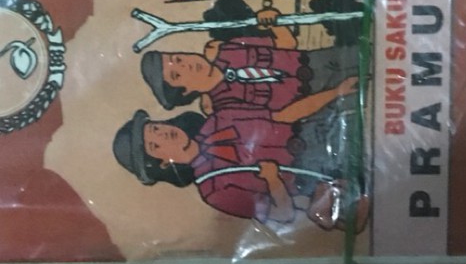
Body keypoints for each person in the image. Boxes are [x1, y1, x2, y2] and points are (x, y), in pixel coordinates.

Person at [113, 98, 368, 231]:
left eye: (155, 128)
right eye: (154, 145)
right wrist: (273, 181)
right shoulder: (214, 191)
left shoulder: (219, 119)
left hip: (327, 129)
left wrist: (336, 93)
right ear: (161, 164)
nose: (163, 134)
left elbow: (283, 115)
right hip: (321, 180)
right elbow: (281, 216)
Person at [140, 7, 359, 116]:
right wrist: (335, 93)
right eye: (177, 75)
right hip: (318, 101)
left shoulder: (227, 49)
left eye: (178, 58)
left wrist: (273, 21)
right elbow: (283, 116)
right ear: (184, 92)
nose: (185, 65)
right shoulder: (220, 106)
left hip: (319, 60)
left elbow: (287, 43)